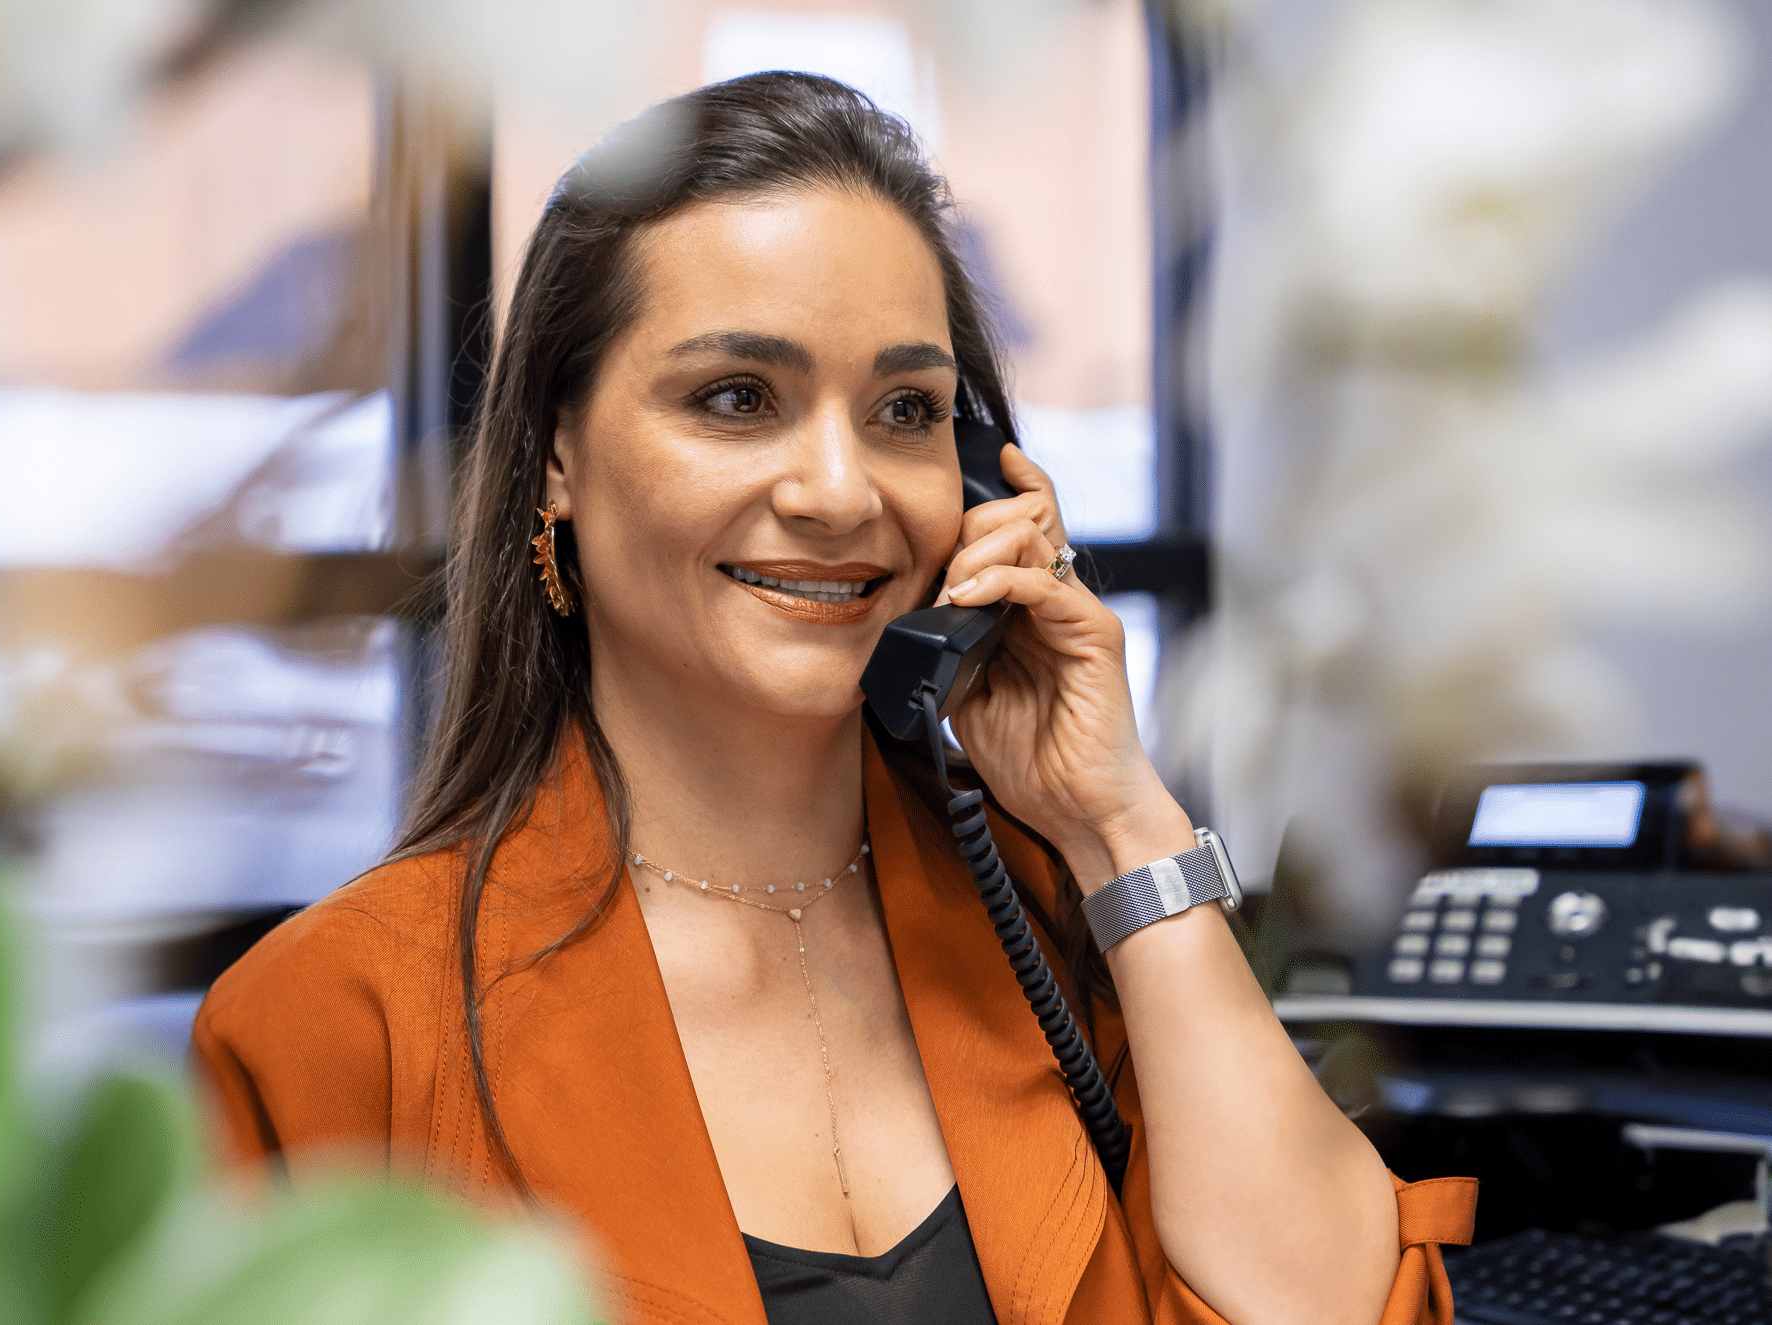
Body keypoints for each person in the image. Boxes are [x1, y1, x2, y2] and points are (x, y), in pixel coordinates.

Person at [192, 72, 1474, 1325]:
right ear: (556, 462)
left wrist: (1121, 822)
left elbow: (1344, 1305)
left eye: (904, 409)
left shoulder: (1067, 929)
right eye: (737, 399)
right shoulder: (336, 1021)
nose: (840, 493)